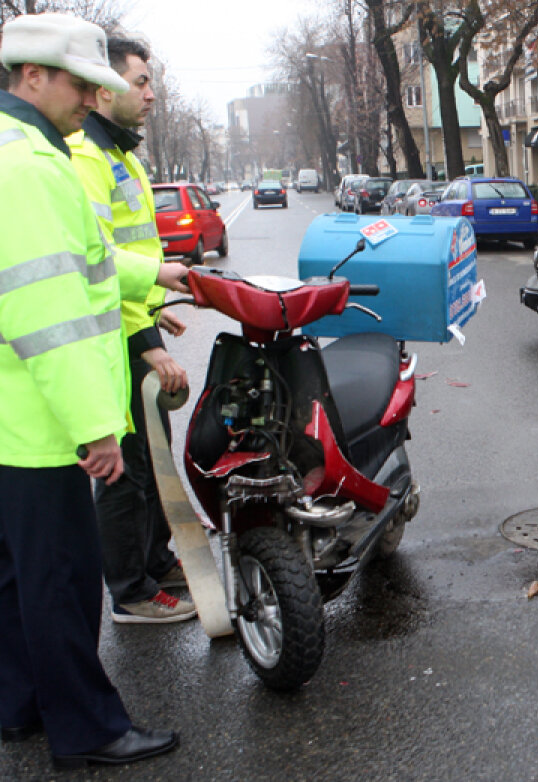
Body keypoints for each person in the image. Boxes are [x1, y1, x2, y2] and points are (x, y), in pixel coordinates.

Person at [0, 12, 186, 768]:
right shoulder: (32, 170)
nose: (90, 99)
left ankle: (18, 705)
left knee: (16, 580)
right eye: (81, 84)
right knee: (61, 583)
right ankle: (88, 727)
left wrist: (153, 273)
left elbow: (88, 258)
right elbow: (49, 313)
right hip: (39, 425)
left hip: (15, 420)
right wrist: (95, 427)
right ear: (33, 76)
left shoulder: (26, 153)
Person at [68, 35, 195, 625]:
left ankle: (155, 561)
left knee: (150, 459)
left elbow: (129, 254)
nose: (150, 93)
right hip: (113, 339)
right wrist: (146, 341)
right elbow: (94, 263)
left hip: (135, 321)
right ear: (104, 88)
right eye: (140, 82)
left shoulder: (123, 157)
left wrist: (152, 307)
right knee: (124, 469)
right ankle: (131, 593)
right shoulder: (86, 159)